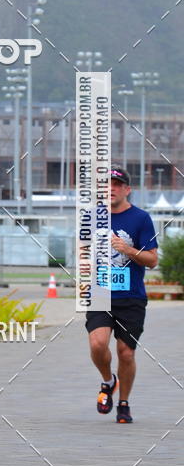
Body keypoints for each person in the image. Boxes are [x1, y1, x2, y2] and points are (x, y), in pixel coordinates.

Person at [86, 167, 158, 423]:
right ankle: (108, 381)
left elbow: (152, 260)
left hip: (132, 297)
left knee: (126, 352)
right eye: (107, 184)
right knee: (97, 344)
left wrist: (127, 249)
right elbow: (86, 254)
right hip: (100, 295)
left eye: (117, 184)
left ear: (127, 189)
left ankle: (124, 403)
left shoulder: (141, 219)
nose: (111, 188)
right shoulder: (92, 218)